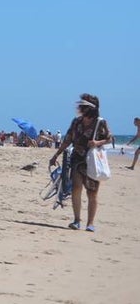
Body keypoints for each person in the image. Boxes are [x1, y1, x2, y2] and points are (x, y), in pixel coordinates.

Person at [51, 94, 112, 231]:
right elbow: (67, 140)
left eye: (82, 105)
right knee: (76, 189)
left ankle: (90, 223)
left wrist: (97, 142)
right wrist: (56, 155)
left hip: (93, 162)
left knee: (92, 193)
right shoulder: (76, 122)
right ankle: (77, 220)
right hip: (77, 160)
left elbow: (109, 139)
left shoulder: (100, 122)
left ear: (89, 108)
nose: (79, 108)